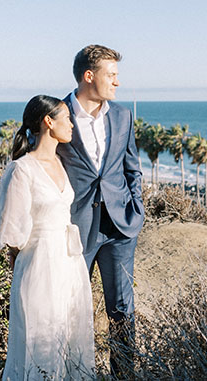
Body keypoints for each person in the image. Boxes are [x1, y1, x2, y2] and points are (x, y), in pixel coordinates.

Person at [58, 45, 144, 378]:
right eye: (112, 75)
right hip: (76, 228)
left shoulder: (122, 115)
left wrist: (136, 208)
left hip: (121, 227)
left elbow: (132, 166)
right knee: (70, 309)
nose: (117, 82)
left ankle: (124, 376)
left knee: (122, 310)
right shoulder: (57, 112)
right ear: (88, 76)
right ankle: (71, 372)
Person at [0, 95, 96, 381]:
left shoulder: (61, 163)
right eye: (67, 118)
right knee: (40, 344)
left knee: (70, 339)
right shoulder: (22, 169)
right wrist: (25, 267)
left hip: (70, 264)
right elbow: (13, 232)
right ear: (48, 122)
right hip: (39, 264)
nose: (73, 125)